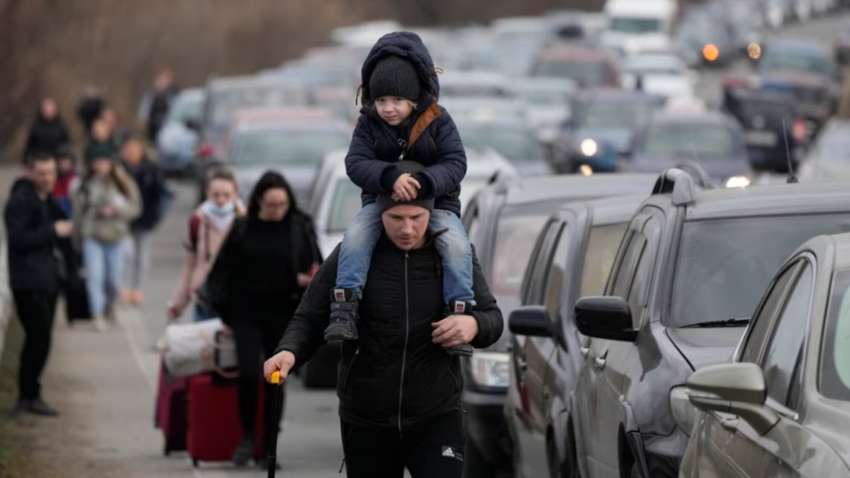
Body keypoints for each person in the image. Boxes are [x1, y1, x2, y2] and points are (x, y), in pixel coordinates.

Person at [262, 176, 503, 478]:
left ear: (431, 214)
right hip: (366, 417)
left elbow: (493, 319)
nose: (407, 229)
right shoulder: (351, 257)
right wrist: (288, 351)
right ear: (379, 215)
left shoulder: (454, 258)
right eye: (396, 218)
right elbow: (310, 316)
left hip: (436, 414)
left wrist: (473, 324)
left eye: (416, 218)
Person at [324, 32, 474, 358]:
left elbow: (456, 163)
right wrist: (388, 176)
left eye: (396, 101)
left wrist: (423, 182)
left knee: (457, 245)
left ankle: (459, 310)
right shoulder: (368, 124)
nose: (388, 109)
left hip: (439, 204)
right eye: (380, 101)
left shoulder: (439, 120)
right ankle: (345, 306)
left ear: (413, 99)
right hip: (380, 204)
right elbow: (355, 163)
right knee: (356, 236)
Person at [204, 171, 321, 467]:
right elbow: (220, 273)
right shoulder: (243, 227)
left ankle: (269, 445)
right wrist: (222, 311)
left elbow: (316, 265)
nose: (277, 210)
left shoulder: (299, 225)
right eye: (271, 204)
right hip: (245, 313)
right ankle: (246, 438)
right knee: (246, 373)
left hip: (284, 313)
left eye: (282, 204)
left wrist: (308, 279)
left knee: (275, 378)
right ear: (258, 201)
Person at [4, 153, 74, 416]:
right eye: (42, 172)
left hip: (48, 280)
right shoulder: (20, 201)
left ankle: (32, 394)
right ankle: (26, 396)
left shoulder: (50, 201)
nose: (47, 178)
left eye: (51, 172)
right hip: (26, 281)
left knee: (42, 340)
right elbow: (18, 239)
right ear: (30, 173)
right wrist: (52, 231)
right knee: (38, 337)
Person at [73, 144, 140, 331]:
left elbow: (135, 208)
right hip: (92, 235)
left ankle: (110, 306)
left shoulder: (123, 182)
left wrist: (116, 210)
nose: (101, 166)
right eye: (98, 162)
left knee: (113, 280)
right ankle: (97, 313)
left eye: (105, 162)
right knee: (95, 277)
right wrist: (76, 239)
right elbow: (78, 213)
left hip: (116, 236)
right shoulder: (85, 184)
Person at [168, 168, 244, 322]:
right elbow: (191, 265)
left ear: (235, 194)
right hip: (205, 297)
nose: (221, 200)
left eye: (226, 195)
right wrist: (178, 303)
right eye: (216, 195)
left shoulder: (245, 221)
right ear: (207, 193)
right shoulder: (198, 221)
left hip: (236, 299)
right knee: (203, 344)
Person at [119, 134, 169, 306]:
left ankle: (137, 289)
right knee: (127, 254)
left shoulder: (151, 169)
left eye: (135, 149)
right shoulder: (119, 170)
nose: (132, 152)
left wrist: (156, 216)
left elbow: (162, 194)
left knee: (142, 256)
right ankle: (123, 287)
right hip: (125, 220)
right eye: (128, 149)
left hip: (145, 220)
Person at [139, 68, 179, 142]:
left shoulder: (174, 93)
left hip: (167, 124)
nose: (166, 81)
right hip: (153, 124)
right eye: (164, 78)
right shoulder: (152, 92)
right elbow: (145, 107)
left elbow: (175, 109)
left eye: (168, 78)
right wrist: (143, 120)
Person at [52, 146, 79, 217]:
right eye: (61, 161)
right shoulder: (52, 177)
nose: (63, 164)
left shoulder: (75, 179)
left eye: (66, 161)